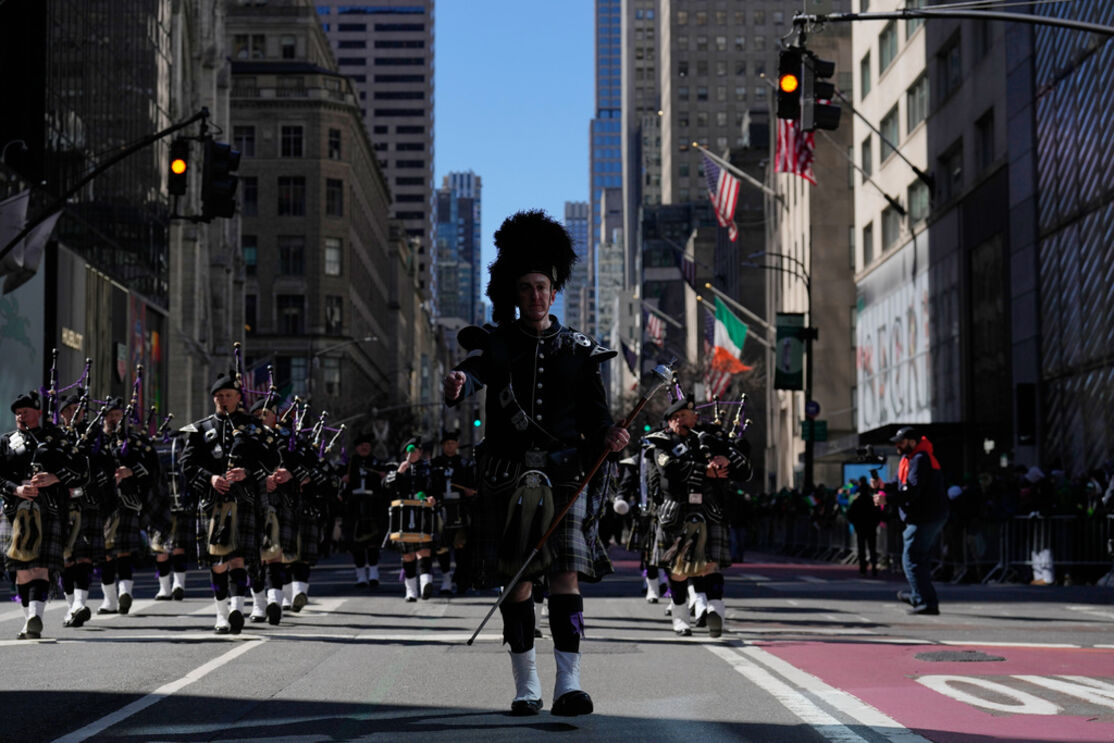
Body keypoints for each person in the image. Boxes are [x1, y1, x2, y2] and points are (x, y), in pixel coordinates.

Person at [443, 209, 629, 717]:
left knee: (565, 577)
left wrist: (612, 435)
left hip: (567, 477)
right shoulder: (497, 344)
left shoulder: (581, 350)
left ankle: (569, 685)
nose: (536, 295)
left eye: (543, 285)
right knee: (518, 581)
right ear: (514, 292)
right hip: (508, 478)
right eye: (525, 287)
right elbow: (472, 373)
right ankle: (527, 686)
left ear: (555, 288)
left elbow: (599, 418)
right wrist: (459, 383)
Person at [648, 389, 752, 638]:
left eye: (689, 414)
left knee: (711, 566)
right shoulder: (661, 443)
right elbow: (669, 470)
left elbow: (744, 471)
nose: (685, 420)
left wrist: (726, 459)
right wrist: (704, 471)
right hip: (677, 511)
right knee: (678, 570)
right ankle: (681, 618)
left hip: (710, 509)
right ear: (671, 420)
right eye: (679, 416)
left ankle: (716, 611)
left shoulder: (711, 438)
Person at [180, 371, 261, 634]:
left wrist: (247, 472)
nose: (223, 400)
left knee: (238, 560)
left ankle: (237, 609)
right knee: (218, 561)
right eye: (218, 396)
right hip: (213, 501)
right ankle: (221, 614)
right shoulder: (200, 428)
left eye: (228, 395)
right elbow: (187, 464)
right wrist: (210, 477)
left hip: (242, 500)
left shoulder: (253, 427)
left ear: (238, 397)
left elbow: (268, 460)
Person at [0, 390, 87, 639]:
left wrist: (55, 478)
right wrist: (15, 489)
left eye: (25, 412)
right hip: (14, 509)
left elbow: (82, 470)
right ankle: (30, 618)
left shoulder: (57, 438)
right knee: (21, 569)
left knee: (40, 567)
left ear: (38, 412)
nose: (20, 416)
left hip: (48, 508)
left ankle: (34, 617)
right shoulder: (6, 442)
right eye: (17, 413)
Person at [872, 426, 948, 615]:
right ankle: (919, 596)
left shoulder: (920, 459)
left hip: (925, 517)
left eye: (901, 442)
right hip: (925, 516)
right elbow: (899, 484)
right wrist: (883, 486)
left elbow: (911, 491)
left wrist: (886, 499)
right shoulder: (910, 459)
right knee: (918, 558)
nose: (897, 445)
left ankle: (924, 601)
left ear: (912, 442)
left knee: (912, 558)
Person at [384, 438, 435, 601]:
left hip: (422, 515)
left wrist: (433, 498)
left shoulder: (429, 468)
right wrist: (399, 472)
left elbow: (436, 488)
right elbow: (386, 486)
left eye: (415, 451)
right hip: (402, 517)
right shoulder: (395, 468)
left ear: (420, 452)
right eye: (409, 451)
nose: (412, 454)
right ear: (404, 453)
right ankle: (411, 591)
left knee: (424, 550)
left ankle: (426, 583)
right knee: (407, 555)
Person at [430, 429, 475, 595]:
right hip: (441, 509)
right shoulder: (434, 464)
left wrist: (470, 491)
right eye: (447, 443)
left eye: (453, 443)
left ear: (457, 445)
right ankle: (446, 579)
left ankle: (461, 579)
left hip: (460, 509)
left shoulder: (465, 464)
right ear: (443, 446)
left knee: (461, 546)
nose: (450, 446)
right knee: (442, 546)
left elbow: (473, 485)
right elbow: (430, 486)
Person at [344, 433, 387, 589]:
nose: (364, 448)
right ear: (356, 448)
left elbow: (387, 482)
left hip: (373, 506)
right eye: (361, 445)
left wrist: (384, 477)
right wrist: (343, 480)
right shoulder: (349, 463)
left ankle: (374, 575)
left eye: (367, 445)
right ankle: (361, 577)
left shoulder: (377, 463)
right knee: (356, 544)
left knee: (373, 542)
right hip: (354, 508)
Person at [846, 478, 881, 577]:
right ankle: (873, 567)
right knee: (872, 548)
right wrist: (876, 523)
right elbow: (879, 513)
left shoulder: (857, 501)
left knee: (862, 548)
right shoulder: (872, 501)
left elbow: (850, 514)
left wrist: (855, 523)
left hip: (861, 527)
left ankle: (863, 568)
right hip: (870, 527)